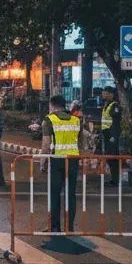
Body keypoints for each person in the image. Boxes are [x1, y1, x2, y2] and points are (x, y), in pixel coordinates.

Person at [41, 93, 81, 233]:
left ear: (52, 106)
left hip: (57, 161)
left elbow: (46, 143)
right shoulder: (76, 120)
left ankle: (54, 226)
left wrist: (42, 161)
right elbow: (80, 141)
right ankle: (69, 227)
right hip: (73, 160)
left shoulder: (49, 120)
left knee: (55, 194)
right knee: (71, 194)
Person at [100, 86, 121, 185]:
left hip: (111, 136)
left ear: (110, 94)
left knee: (113, 158)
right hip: (106, 135)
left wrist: (114, 136)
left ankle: (115, 180)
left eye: (104, 92)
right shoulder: (107, 104)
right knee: (109, 157)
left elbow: (116, 123)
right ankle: (114, 179)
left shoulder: (114, 105)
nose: (102, 94)